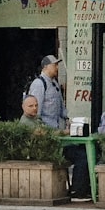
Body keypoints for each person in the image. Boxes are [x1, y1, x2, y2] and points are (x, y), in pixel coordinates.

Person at [27, 55, 89, 200]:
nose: (57, 67)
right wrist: (52, 132)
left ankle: (80, 188)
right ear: (45, 67)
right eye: (54, 65)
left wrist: (69, 122)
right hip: (50, 140)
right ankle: (77, 192)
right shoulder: (39, 84)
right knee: (82, 157)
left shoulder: (54, 84)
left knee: (83, 151)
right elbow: (36, 114)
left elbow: (62, 110)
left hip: (61, 136)